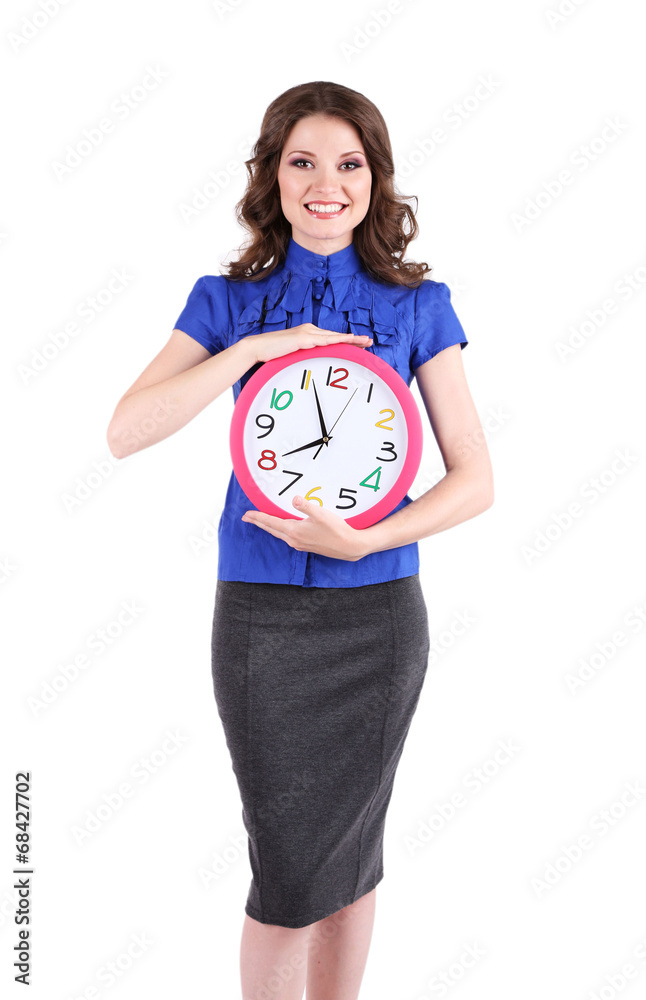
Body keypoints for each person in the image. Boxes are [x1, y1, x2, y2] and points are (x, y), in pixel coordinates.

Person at [107, 81, 493, 1000]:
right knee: (287, 869)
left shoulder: (419, 306)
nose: (328, 185)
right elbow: (125, 431)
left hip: (380, 618)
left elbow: (477, 477)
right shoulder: (224, 302)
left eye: (349, 164)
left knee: (354, 853)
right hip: (262, 619)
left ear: (375, 179)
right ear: (272, 177)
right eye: (303, 162)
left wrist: (371, 539)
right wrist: (248, 352)